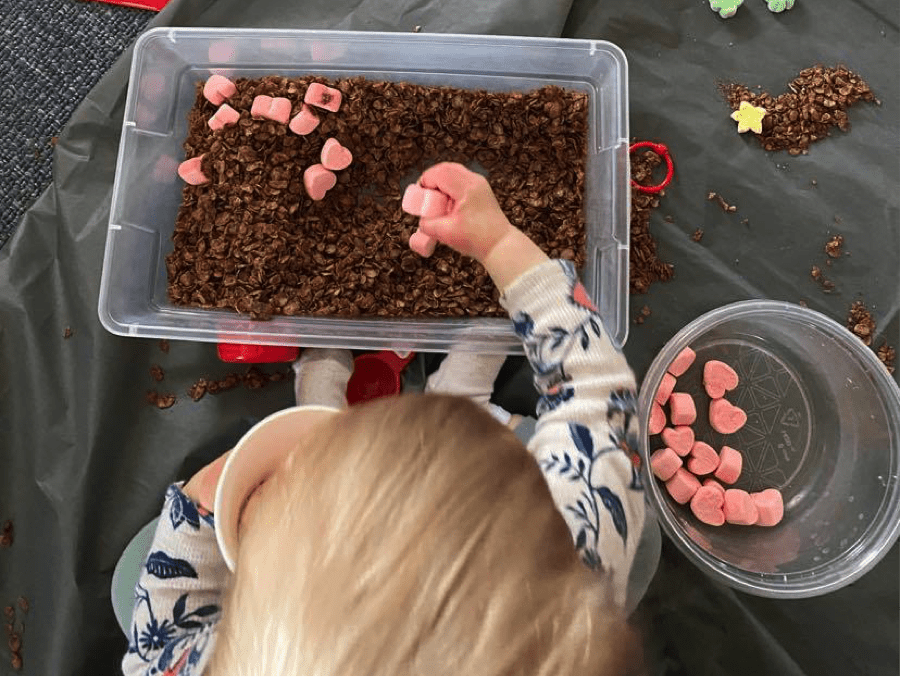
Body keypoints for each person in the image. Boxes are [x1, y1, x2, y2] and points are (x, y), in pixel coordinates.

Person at [121, 162, 647, 675]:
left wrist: (202, 507)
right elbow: (597, 398)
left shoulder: (228, 661)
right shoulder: (576, 559)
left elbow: (153, 651)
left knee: (130, 586)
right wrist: (500, 245)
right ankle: (462, 401)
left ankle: (323, 389)